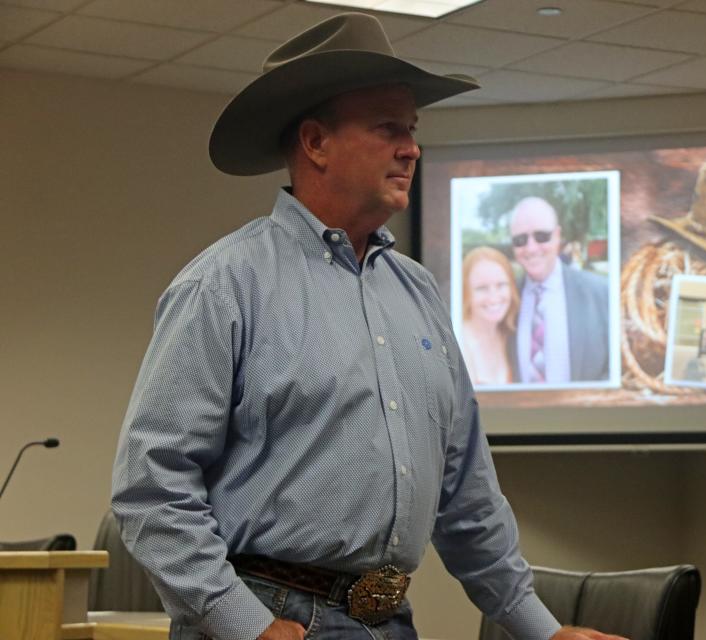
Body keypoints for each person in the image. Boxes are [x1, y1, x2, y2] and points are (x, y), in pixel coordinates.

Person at [110, 13, 625, 640]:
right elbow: (150, 486)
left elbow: (466, 494)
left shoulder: (419, 293)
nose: (410, 147)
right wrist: (243, 623)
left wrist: (541, 630)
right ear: (316, 143)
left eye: (411, 130)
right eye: (387, 128)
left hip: (389, 621)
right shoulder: (226, 283)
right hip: (268, 619)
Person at [509, 196, 609, 384]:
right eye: (520, 240)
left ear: (557, 236)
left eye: (541, 236)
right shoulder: (505, 300)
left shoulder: (602, 294)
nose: (531, 248)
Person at [460, 247, 520, 385]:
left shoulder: (509, 335)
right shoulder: (459, 342)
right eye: (482, 288)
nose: (494, 297)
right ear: (466, 292)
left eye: (501, 285)